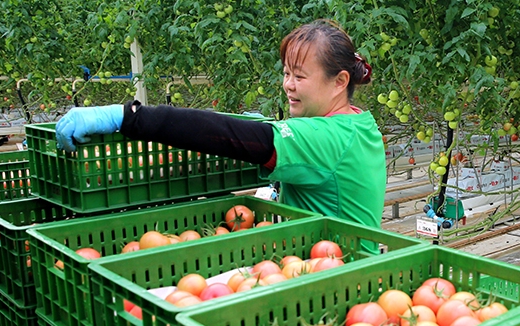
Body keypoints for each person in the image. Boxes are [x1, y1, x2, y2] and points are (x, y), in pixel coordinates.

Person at [55, 20, 387, 230]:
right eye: (286, 73)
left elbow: (228, 136)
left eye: (299, 76)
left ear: (339, 81)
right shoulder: (357, 124)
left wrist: (129, 117)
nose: (288, 85)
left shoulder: (327, 137)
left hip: (339, 277)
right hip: (328, 265)